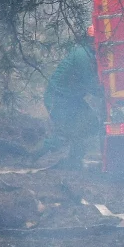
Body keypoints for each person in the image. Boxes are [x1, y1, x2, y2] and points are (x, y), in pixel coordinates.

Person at [36, 26, 103, 169]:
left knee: (89, 123)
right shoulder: (82, 55)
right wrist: (107, 95)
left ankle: (74, 161)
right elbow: (90, 83)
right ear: (94, 40)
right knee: (64, 132)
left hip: (72, 98)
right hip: (58, 98)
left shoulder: (89, 54)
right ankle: (31, 153)